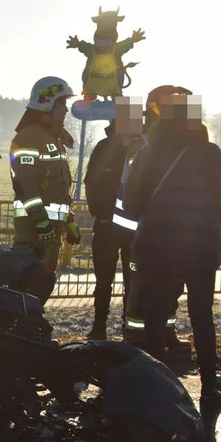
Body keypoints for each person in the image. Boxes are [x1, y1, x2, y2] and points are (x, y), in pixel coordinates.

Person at [122, 89, 221, 442]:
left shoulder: (148, 153)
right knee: (202, 316)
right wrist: (210, 224)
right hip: (202, 245)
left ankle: (160, 389)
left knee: (155, 316)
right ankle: (208, 384)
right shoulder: (211, 153)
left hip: (158, 245)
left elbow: (132, 202)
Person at [122, 85, 194, 357]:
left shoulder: (188, 150)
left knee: (171, 290)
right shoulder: (143, 146)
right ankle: (138, 340)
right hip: (148, 234)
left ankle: (165, 335)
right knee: (144, 290)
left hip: (165, 235)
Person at [9, 76, 83, 302]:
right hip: (33, 233)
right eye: (62, 104)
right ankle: (18, 332)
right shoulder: (28, 138)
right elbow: (25, 184)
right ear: (47, 103)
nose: (66, 110)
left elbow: (59, 188)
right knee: (28, 286)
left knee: (43, 283)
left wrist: (69, 220)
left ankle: (31, 330)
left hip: (51, 233)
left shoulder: (54, 139)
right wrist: (40, 221)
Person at [83, 96, 146, 339]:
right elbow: (91, 182)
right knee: (104, 282)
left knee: (133, 281)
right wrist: (99, 214)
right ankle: (99, 326)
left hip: (134, 233)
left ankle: (129, 329)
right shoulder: (103, 147)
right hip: (107, 229)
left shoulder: (143, 148)